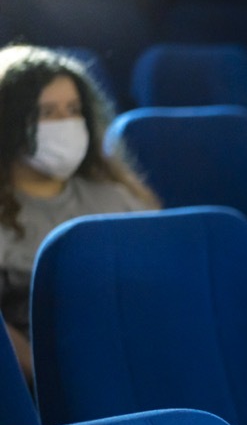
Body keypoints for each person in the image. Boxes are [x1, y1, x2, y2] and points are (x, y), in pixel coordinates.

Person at [0, 44, 158, 381]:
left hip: (141, 360)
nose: (65, 123)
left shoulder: (120, 197)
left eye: (73, 110)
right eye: (47, 113)